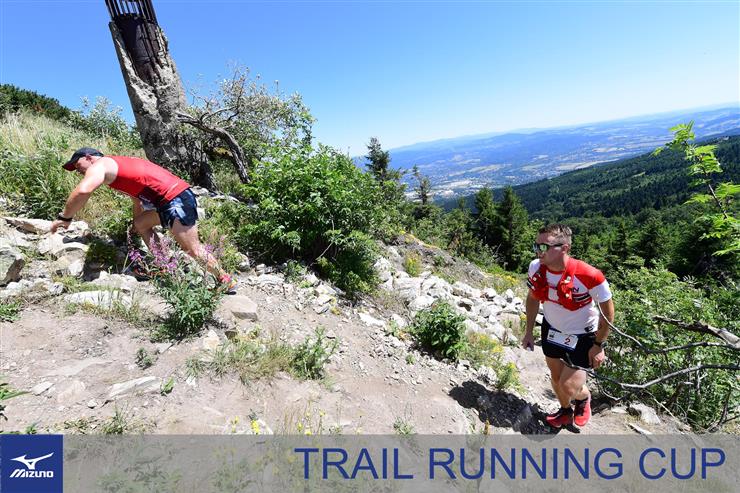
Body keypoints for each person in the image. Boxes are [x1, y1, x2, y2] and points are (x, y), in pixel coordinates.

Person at [49, 147, 237, 293]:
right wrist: (135, 224)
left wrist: (65, 217)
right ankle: (165, 265)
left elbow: (83, 190)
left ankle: (225, 279)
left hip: (175, 199)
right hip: (169, 200)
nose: (77, 171)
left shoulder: (101, 165)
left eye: (77, 165)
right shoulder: (117, 167)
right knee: (140, 224)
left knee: (192, 249)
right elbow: (136, 200)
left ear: (89, 157)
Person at [521, 224, 614, 429]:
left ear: (564, 248)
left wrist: (599, 345)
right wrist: (528, 332)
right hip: (552, 328)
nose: (538, 251)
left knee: (567, 386)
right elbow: (533, 298)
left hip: (583, 335)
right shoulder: (536, 267)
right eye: (536, 246)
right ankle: (565, 411)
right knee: (556, 378)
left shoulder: (590, 275)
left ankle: (583, 398)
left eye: (544, 247)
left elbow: (608, 313)